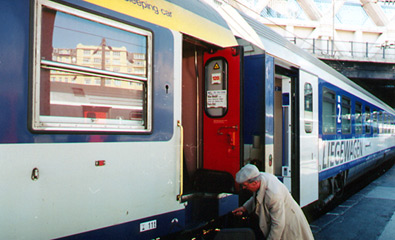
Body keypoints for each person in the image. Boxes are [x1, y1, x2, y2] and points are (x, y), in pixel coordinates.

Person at [232, 164, 314, 240]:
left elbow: (278, 225)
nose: (243, 188)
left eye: (245, 185)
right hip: (281, 220)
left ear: (254, 183)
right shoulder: (260, 177)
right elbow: (256, 197)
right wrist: (245, 208)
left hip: (288, 224)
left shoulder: (273, 194)